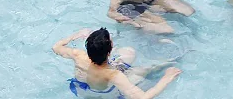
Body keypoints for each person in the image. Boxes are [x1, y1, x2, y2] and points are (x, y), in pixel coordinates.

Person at [53, 28, 182, 99]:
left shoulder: (79, 55)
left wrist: (76, 35)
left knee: (128, 53)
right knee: (142, 71)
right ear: (109, 51)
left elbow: (56, 47)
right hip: (106, 93)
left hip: (81, 88)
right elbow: (143, 98)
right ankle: (167, 63)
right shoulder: (113, 75)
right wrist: (167, 78)